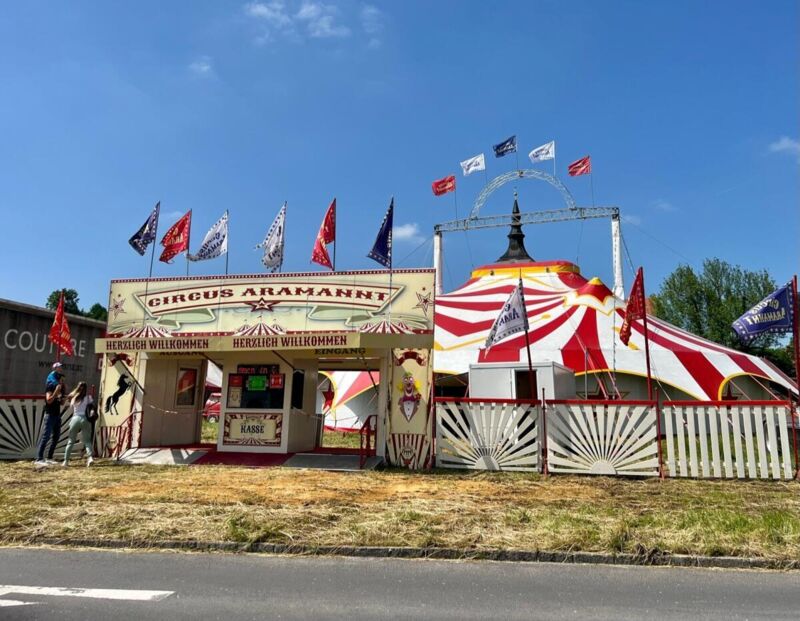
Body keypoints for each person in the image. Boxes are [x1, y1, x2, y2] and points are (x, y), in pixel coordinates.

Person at [35, 366, 67, 467]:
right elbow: (49, 400)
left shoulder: (61, 389)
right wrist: (56, 392)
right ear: (57, 379)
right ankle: (39, 458)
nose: (62, 382)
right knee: (46, 436)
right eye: (61, 380)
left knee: (56, 437)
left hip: (57, 415)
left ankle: (49, 457)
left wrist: (64, 398)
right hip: (49, 415)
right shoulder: (50, 387)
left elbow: (61, 403)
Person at [62, 382, 94, 467]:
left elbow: (70, 404)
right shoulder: (88, 398)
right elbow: (91, 407)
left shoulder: (74, 398)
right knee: (87, 441)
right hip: (85, 419)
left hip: (75, 419)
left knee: (71, 441)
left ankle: (66, 461)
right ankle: (90, 458)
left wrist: (75, 391)